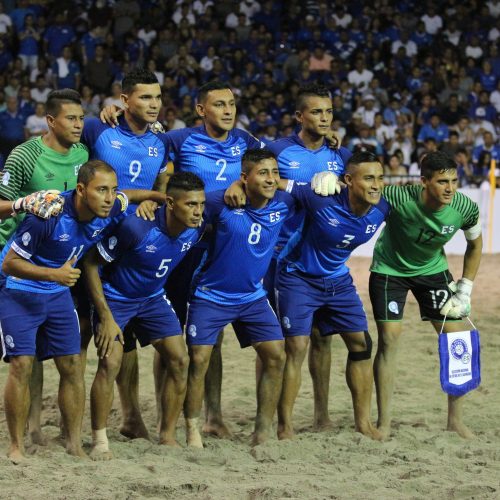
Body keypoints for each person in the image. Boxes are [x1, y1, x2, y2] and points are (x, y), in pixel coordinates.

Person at [0, 160, 128, 463]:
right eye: (102, 190)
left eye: (113, 190)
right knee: (22, 364)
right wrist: (54, 274)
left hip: (57, 292)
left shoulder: (110, 208)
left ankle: (73, 444)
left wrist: (154, 198)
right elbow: (9, 264)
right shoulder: (48, 215)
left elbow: (128, 198)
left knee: (72, 365)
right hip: (19, 288)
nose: (109, 197)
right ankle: (16, 446)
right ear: (81, 190)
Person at [84, 172, 205, 459]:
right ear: (170, 203)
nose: (198, 211)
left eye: (201, 204)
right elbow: (90, 264)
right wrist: (105, 316)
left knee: (180, 360)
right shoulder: (136, 227)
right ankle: (100, 441)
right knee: (110, 363)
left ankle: (167, 436)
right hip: (116, 298)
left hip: (152, 298)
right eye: (191, 204)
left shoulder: (197, 227)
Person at [184, 149, 294, 448]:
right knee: (199, 359)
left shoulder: (284, 202)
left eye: (275, 172)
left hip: (252, 297)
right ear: (245, 177)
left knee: (276, 355)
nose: (271, 179)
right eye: (263, 173)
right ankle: (194, 429)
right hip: (211, 295)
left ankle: (262, 431)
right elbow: (184, 206)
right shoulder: (220, 202)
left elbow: (311, 192)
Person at [82, 68, 170, 440]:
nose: (154, 104)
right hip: (89, 245)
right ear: (124, 100)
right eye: (145, 97)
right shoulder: (97, 130)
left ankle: (131, 416)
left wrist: (154, 200)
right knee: (82, 339)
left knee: (126, 337)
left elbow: (163, 186)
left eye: (157, 97)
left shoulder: (162, 141)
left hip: (133, 248)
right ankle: (64, 423)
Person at [275, 151, 388, 441]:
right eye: (368, 178)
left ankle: (363, 424)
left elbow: (419, 199)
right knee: (297, 347)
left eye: (380, 178)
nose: (376, 185)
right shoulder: (320, 198)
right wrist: (237, 185)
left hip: (338, 280)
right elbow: (274, 182)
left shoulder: (382, 207)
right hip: (298, 277)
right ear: (348, 180)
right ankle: (285, 427)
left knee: (361, 344)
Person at [370, 151, 482, 439]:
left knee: (457, 338)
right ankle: (384, 423)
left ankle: (455, 421)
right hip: (389, 271)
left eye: (454, 181)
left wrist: (466, 286)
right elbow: (363, 189)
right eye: (442, 181)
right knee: (389, 339)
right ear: (424, 182)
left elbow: (475, 245)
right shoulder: (398, 197)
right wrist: (332, 180)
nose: (450, 188)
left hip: (433, 272)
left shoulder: (465, 207)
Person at [0, 89, 89, 446]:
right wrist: (23, 202)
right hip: (13, 261)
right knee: (25, 356)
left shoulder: (82, 154)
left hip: (57, 266)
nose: (79, 125)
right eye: (71, 118)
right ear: (50, 121)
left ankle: (41, 426)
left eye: (82, 118)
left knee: (54, 355)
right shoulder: (25, 155)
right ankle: (30, 427)